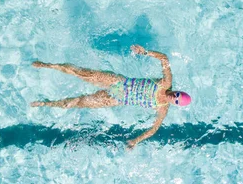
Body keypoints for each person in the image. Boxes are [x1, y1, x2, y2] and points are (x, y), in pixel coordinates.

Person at [30, 45, 191, 149]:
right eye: (177, 94)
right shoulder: (166, 82)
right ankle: (47, 65)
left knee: (75, 103)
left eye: (176, 100)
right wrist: (145, 52)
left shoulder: (163, 108)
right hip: (118, 83)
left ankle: (45, 104)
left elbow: (154, 129)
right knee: (81, 73)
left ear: (176, 104)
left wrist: (136, 141)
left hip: (114, 99)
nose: (173, 97)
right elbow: (164, 58)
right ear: (177, 91)